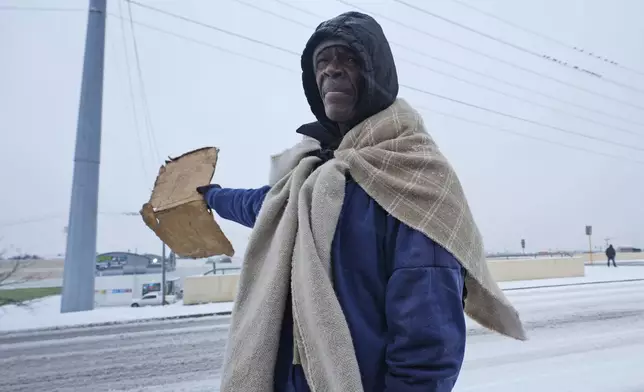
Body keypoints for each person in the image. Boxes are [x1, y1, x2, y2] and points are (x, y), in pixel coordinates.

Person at [198, 11, 525, 392]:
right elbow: (265, 207)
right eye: (323, 62)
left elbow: (427, 344)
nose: (332, 71)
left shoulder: (414, 178)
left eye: (349, 60)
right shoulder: (309, 176)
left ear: (377, 73)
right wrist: (214, 197)